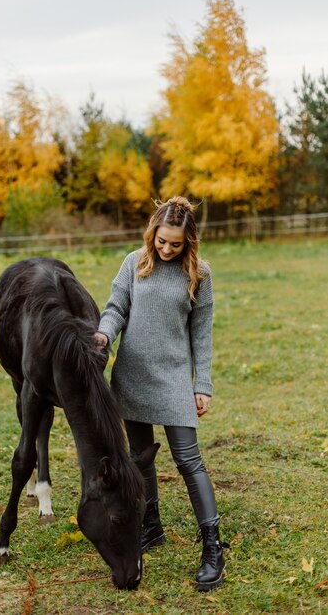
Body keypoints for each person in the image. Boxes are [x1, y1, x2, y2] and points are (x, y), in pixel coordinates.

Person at [94, 196, 228, 592]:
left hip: (172, 379)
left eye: (176, 244)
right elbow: (117, 306)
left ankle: (213, 549)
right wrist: (104, 332)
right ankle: (151, 526)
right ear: (153, 233)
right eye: (161, 241)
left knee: (189, 461)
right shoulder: (134, 261)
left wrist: (201, 384)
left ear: (190, 241)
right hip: (132, 374)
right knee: (140, 459)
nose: (166, 249)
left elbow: (201, 335)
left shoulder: (199, 274)